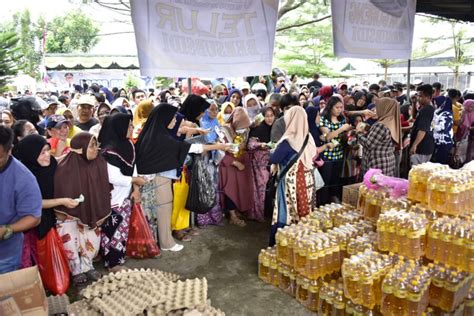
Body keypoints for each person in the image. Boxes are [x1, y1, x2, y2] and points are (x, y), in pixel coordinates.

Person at [135, 103, 231, 252]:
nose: (175, 120)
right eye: (173, 117)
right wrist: (218, 147)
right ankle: (166, 243)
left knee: (164, 211)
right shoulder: (161, 138)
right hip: (158, 181)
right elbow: (189, 148)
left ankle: (165, 242)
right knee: (163, 211)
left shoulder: (156, 135)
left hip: (158, 180)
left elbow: (182, 145)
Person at [14, 135, 79, 268]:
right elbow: (36, 203)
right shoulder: (25, 175)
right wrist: (62, 201)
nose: (47, 155)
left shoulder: (51, 164)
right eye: (42, 152)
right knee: (33, 255)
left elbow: (59, 161)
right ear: (31, 155)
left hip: (51, 216)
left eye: (48, 150)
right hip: (32, 222)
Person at [54, 132, 111, 284]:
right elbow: (59, 189)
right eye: (91, 145)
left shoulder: (99, 162)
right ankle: (76, 270)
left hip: (92, 209)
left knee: (91, 236)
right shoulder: (64, 167)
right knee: (70, 237)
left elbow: (104, 187)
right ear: (80, 148)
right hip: (69, 213)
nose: (96, 149)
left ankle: (88, 265)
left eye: (96, 145)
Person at [98, 113, 145, 270]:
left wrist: (136, 188)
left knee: (122, 229)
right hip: (112, 198)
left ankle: (118, 258)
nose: (132, 128)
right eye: (129, 125)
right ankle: (113, 263)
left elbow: (134, 166)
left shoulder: (127, 144)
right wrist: (133, 181)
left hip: (125, 195)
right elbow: (113, 177)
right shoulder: (108, 151)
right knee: (112, 230)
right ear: (119, 128)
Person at [269, 106, 316, 245]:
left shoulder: (287, 141)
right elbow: (313, 155)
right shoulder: (308, 137)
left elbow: (274, 159)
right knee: (305, 210)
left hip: (291, 183)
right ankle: (304, 242)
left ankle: (285, 245)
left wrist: (271, 151)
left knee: (287, 211)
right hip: (307, 181)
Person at [0, 126, 42, 273]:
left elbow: (34, 217)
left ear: (9, 150)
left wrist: (7, 229)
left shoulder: (24, 178)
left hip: (4, 256)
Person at [219, 107, 254, 226]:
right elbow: (220, 152)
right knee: (230, 189)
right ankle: (232, 215)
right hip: (228, 165)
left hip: (240, 164)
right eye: (242, 127)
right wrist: (235, 163)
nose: (244, 130)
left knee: (239, 189)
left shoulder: (244, 132)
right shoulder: (224, 131)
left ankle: (236, 210)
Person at [318, 96, 352, 204]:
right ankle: (322, 203)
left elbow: (340, 138)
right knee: (325, 182)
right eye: (337, 107)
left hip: (339, 155)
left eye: (341, 107)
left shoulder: (342, 119)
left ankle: (333, 201)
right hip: (327, 156)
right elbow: (327, 136)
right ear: (330, 107)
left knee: (335, 181)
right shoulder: (323, 120)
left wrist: (348, 134)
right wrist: (341, 129)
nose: (339, 110)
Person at [357, 98, 402, 176]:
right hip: (387, 162)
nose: (376, 110)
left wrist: (358, 133)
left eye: (378, 108)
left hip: (377, 164)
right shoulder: (392, 122)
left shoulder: (381, 125)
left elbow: (369, 144)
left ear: (384, 108)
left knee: (375, 187)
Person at [196, 102, 224, 227]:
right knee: (204, 188)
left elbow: (219, 137)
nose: (214, 112)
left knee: (214, 189)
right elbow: (201, 144)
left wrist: (218, 143)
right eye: (211, 110)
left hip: (214, 160)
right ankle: (204, 219)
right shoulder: (201, 123)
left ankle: (215, 217)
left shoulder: (216, 123)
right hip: (203, 160)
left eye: (216, 109)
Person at [247, 107, 276, 222]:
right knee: (260, 187)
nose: (269, 118)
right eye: (267, 116)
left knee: (270, 187)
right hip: (260, 163)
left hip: (272, 161)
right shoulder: (259, 128)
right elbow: (250, 144)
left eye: (271, 115)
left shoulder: (276, 128)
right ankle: (258, 213)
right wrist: (260, 145)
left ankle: (268, 212)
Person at [410, 84, 435, 166]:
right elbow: (414, 117)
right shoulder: (425, 108)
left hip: (422, 147)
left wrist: (415, 145)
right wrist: (414, 103)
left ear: (428, 97)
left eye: (420, 96)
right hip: (426, 146)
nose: (418, 98)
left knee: (416, 173)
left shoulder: (426, 110)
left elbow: (422, 130)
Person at [433, 96, 454, 164]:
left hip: (444, 142)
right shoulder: (439, 112)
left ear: (442, 103)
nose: (435, 105)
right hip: (438, 141)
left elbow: (442, 128)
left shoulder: (447, 114)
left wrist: (432, 126)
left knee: (440, 163)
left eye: (436, 103)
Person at [455, 99, 474, 163]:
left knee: (464, 150)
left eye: (473, 107)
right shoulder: (462, 112)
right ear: (466, 106)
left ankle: (461, 162)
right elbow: (459, 123)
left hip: (467, 135)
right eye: (470, 106)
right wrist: (468, 127)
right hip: (459, 134)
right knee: (457, 148)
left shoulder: (472, 113)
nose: (472, 108)